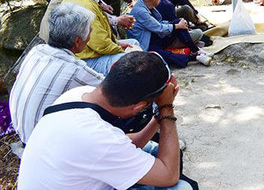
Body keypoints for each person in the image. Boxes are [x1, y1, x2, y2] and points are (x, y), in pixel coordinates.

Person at [18, 51, 196, 189]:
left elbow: (124, 144)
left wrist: (157, 117)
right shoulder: (95, 137)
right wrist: (167, 108)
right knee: (182, 187)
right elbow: (168, 175)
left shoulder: (79, 95)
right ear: (137, 107)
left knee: (156, 149)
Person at [10, 2, 103, 145]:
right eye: (89, 31)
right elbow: (109, 88)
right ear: (78, 41)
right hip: (41, 144)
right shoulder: (75, 69)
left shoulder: (37, 50)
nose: (90, 36)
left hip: (22, 132)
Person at [62, 0, 140, 75]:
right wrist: (121, 48)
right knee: (135, 59)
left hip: (87, 52)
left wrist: (118, 44)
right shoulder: (85, 5)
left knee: (134, 44)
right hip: (83, 60)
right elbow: (100, 44)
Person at [128, 0, 210, 68]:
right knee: (162, 55)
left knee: (177, 22)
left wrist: (178, 24)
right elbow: (159, 28)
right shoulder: (141, 11)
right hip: (146, 44)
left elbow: (160, 23)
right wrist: (177, 26)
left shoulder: (147, 6)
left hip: (155, 37)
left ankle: (195, 50)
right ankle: (194, 57)